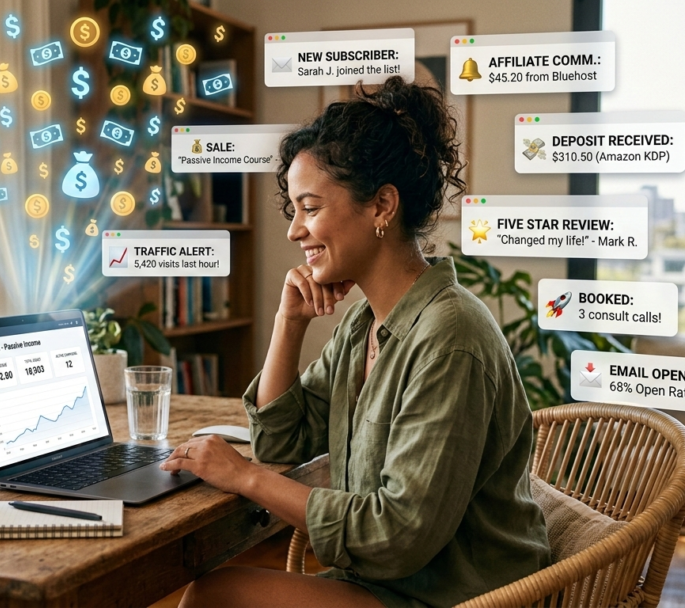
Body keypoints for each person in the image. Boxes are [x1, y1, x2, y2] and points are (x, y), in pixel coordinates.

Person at [160, 76, 550, 608]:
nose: (295, 230)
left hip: (455, 597)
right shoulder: (364, 322)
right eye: (294, 210)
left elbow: (397, 536)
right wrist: (289, 322)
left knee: (216, 597)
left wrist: (245, 478)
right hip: (385, 584)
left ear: (382, 205)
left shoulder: (451, 337)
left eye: (311, 207)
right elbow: (281, 441)